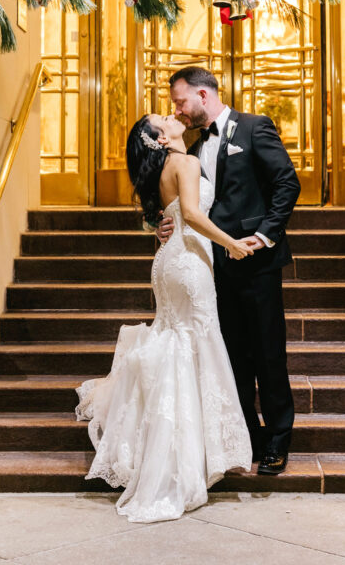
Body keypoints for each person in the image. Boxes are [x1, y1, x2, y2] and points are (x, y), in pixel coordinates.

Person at [76, 112, 255, 523]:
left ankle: (173, 447)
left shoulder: (162, 169)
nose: (173, 115)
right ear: (158, 137)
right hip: (188, 264)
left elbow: (162, 217)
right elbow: (190, 214)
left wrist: (157, 228)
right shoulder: (187, 163)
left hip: (168, 262)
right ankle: (183, 457)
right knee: (194, 344)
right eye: (164, 118)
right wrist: (232, 244)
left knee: (177, 342)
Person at [158, 67, 300, 476]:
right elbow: (186, 203)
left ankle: (277, 441)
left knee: (268, 354)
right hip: (211, 266)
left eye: (181, 102)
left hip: (256, 264)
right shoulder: (192, 148)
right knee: (233, 356)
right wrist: (165, 223)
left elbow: (287, 183)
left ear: (204, 95)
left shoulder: (255, 128)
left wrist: (264, 236)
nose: (179, 111)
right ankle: (248, 439)